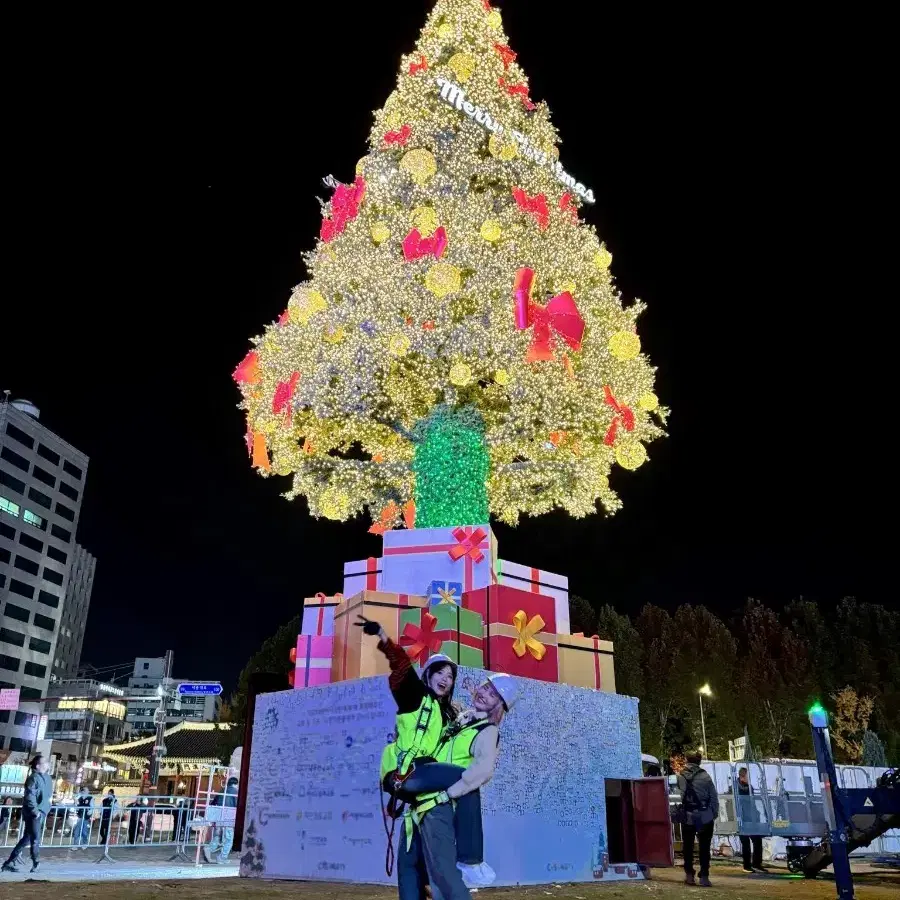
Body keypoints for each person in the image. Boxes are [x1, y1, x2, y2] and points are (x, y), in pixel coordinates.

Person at [408, 672, 518, 893]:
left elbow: (482, 771)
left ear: (499, 705)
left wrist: (450, 793)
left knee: (444, 875)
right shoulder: (461, 719)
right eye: (486, 688)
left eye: (493, 694)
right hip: (429, 795)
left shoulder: (488, 731)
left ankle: (469, 864)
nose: (485, 694)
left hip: (448, 801)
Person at [2, 755, 52, 874]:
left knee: (27, 839)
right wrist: (35, 812)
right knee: (35, 838)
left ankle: (8, 863)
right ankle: (36, 862)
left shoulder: (47, 778)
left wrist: (46, 809)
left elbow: (48, 796)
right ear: (38, 766)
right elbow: (30, 796)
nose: (48, 764)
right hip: (34, 813)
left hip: (41, 812)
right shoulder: (33, 778)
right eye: (45, 762)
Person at [677, 750, 719, 887]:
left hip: (688, 815)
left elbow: (676, 799)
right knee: (705, 847)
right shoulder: (706, 777)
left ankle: (689, 875)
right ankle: (704, 876)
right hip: (705, 815)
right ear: (699, 762)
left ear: (687, 761)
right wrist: (713, 813)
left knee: (688, 847)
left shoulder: (680, 777)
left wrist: (676, 815)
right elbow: (714, 798)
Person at [203, 776, 239, 864]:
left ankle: (208, 848)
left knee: (217, 837)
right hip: (228, 818)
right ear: (235, 784)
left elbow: (213, 803)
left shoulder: (222, 790)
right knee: (229, 839)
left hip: (218, 818)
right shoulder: (235, 792)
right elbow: (238, 805)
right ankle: (222, 857)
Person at [737, 767, 765, 873]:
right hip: (742, 817)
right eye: (748, 776)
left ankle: (756, 863)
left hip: (751, 816)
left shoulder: (748, 787)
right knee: (746, 841)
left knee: (757, 839)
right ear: (743, 776)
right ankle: (747, 865)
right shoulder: (737, 788)